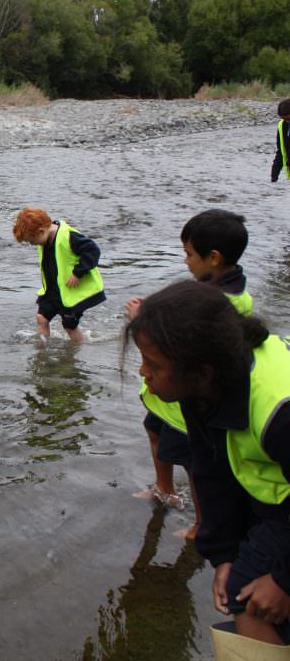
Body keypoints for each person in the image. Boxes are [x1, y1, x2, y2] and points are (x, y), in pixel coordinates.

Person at [126, 281, 290, 647]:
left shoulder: (280, 412)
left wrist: (283, 581)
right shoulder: (204, 385)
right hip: (275, 494)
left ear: (202, 372)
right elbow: (210, 470)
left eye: (153, 365)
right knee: (241, 576)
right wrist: (224, 554)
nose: (143, 372)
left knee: (249, 598)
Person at [126, 209, 253, 538]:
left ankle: (201, 523)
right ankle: (163, 488)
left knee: (194, 461)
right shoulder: (211, 291)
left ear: (214, 258)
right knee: (154, 430)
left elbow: (186, 342)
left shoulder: (227, 304)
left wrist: (141, 321)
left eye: (189, 254)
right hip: (166, 399)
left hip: (187, 403)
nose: (186, 262)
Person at [12, 207, 105, 342]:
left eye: (32, 241)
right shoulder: (44, 238)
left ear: (41, 231)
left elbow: (92, 250)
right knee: (41, 318)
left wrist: (78, 273)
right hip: (52, 291)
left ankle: (80, 346)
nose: (32, 244)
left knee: (69, 327)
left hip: (70, 294)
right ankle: (42, 349)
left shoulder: (69, 236)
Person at [271, 97, 290, 183]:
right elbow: (280, 153)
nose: (287, 121)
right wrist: (274, 177)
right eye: (284, 119)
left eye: (288, 119)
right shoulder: (282, 126)